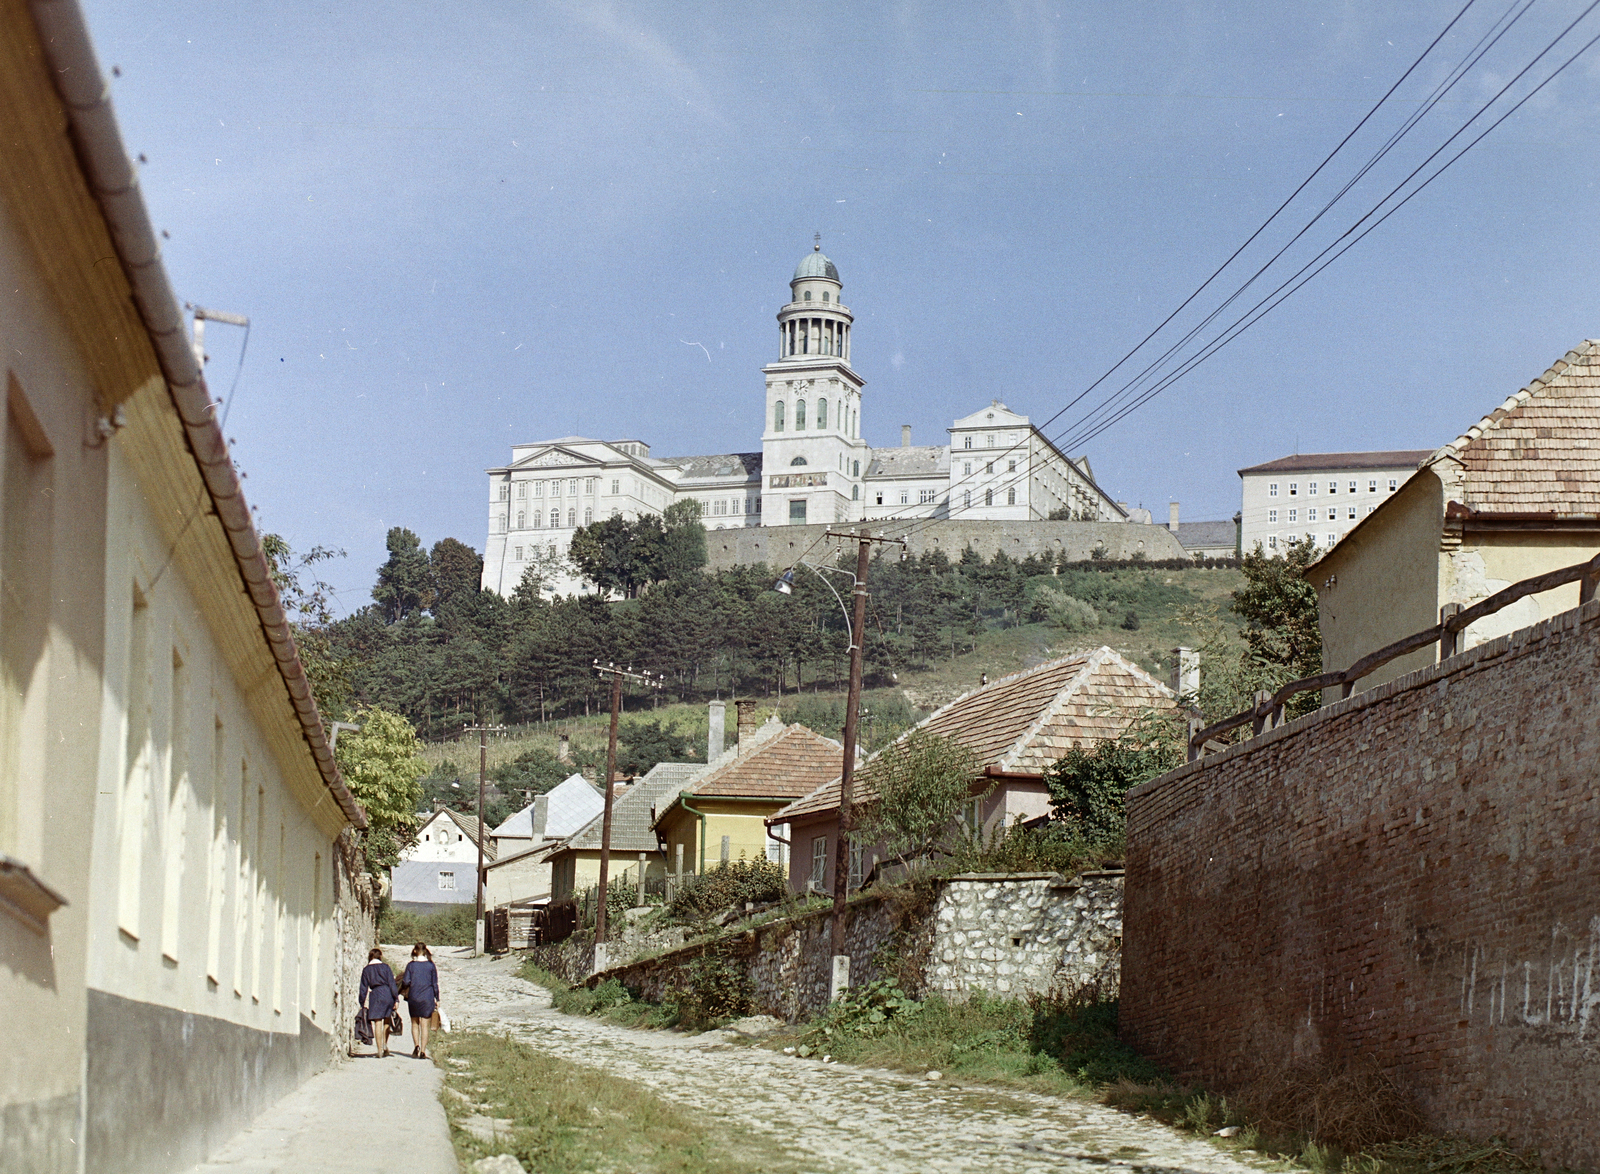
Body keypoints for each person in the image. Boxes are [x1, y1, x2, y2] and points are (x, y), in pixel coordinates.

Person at [400, 942, 440, 1059]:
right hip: (427, 997)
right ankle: (423, 1051)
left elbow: (406, 981)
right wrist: (437, 998)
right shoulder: (431, 966)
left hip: (414, 996)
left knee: (414, 1022)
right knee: (425, 1024)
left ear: (415, 952)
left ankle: (416, 1046)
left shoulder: (411, 966)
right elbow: (434, 984)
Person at [358, 947, 399, 1058]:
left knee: (377, 1022)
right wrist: (396, 998)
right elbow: (392, 983)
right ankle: (385, 1044)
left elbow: (363, 988)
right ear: (380, 956)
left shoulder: (366, 970)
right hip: (387, 993)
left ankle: (379, 1050)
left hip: (375, 994)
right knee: (387, 1020)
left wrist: (361, 1002)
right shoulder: (385, 967)